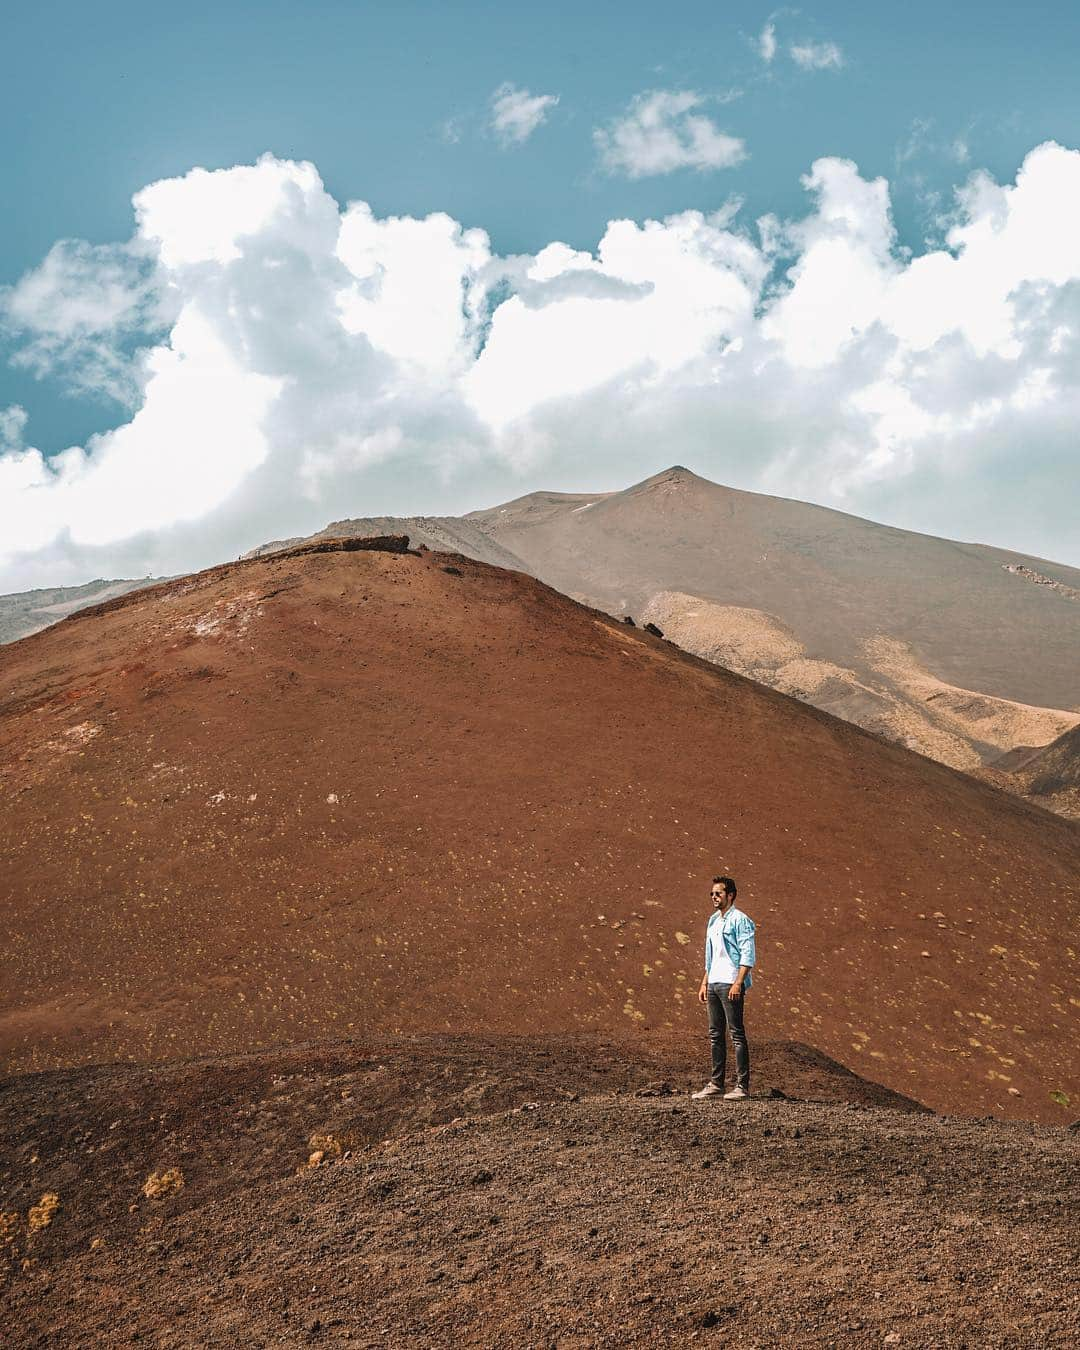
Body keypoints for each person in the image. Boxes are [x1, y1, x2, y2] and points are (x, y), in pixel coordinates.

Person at [691, 876, 755, 1101]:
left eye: (718, 893)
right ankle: (716, 1084)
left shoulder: (740, 920)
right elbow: (711, 956)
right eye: (712, 894)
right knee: (715, 1034)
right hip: (714, 981)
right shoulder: (713, 921)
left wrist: (738, 982)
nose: (714, 897)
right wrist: (704, 981)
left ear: (731, 895)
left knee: (736, 1033)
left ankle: (741, 1086)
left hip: (730, 982)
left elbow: (747, 953)